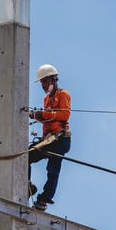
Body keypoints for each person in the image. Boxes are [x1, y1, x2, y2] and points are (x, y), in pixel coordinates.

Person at [28, 64, 71, 212]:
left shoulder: (63, 94)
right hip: (49, 138)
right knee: (26, 156)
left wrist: (44, 114)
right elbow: (48, 119)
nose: (43, 85)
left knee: (52, 170)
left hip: (59, 139)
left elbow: (64, 115)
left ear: (53, 79)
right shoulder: (46, 99)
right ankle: (27, 186)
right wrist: (36, 116)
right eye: (41, 83)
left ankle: (43, 200)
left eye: (44, 82)